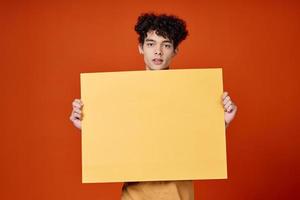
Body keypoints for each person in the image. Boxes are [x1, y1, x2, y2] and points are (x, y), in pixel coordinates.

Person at [70, 13, 237, 200]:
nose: (158, 51)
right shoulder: (122, 95)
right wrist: (87, 127)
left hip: (179, 195)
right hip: (135, 195)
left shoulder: (190, 95)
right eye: (151, 44)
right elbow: (117, 140)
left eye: (166, 45)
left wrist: (221, 122)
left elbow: (194, 140)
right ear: (140, 48)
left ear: (175, 51)